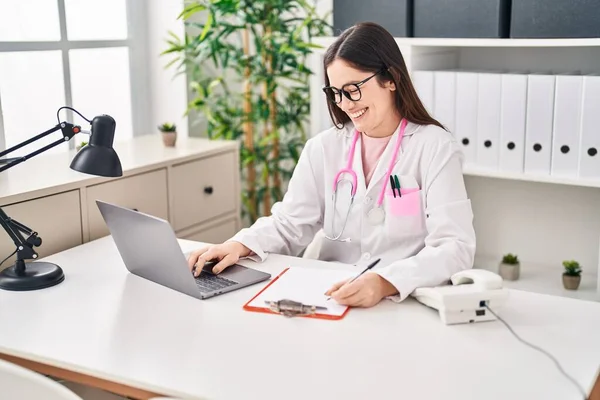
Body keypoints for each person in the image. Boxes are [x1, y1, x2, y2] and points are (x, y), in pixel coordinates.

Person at [187, 21, 476, 308]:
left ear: (391, 79)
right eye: (335, 93)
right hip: (327, 295)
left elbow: (455, 247)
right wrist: (239, 245)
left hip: (396, 300)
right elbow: (290, 224)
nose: (345, 104)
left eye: (353, 89)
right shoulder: (323, 148)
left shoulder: (435, 147)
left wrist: (384, 282)